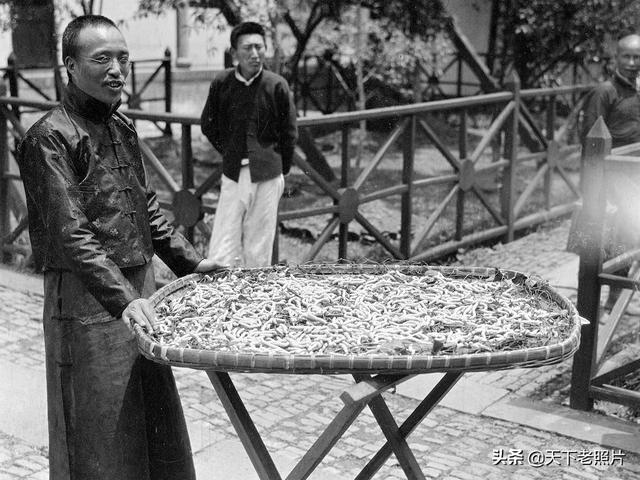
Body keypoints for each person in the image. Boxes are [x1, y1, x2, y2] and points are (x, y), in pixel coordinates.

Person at [16, 15, 220, 479]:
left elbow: (145, 209)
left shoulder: (121, 125)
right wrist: (124, 301)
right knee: (98, 436)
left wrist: (192, 261)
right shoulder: (49, 136)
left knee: (153, 420)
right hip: (88, 301)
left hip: (140, 291)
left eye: (123, 58)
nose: (117, 69)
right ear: (70, 65)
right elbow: (72, 236)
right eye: (101, 58)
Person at [201, 21, 298, 267]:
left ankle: (254, 297)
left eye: (260, 47)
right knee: (224, 242)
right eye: (247, 48)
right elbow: (209, 125)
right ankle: (221, 295)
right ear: (234, 53)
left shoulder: (276, 85)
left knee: (259, 245)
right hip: (234, 172)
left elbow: (289, 134)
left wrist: (277, 166)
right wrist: (231, 151)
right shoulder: (222, 83)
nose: (255, 54)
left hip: (268, 174)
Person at [572, 33, 640, 309]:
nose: (632, 63)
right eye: (627, 56)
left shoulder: (636, 90)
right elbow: (589, 137)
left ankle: (616, 297)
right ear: (616, 58)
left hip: (631, 174)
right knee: (602, 237)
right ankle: (593, 303)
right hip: (606, 176)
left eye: (637, 58)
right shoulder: (605, 92)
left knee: (627, 234)